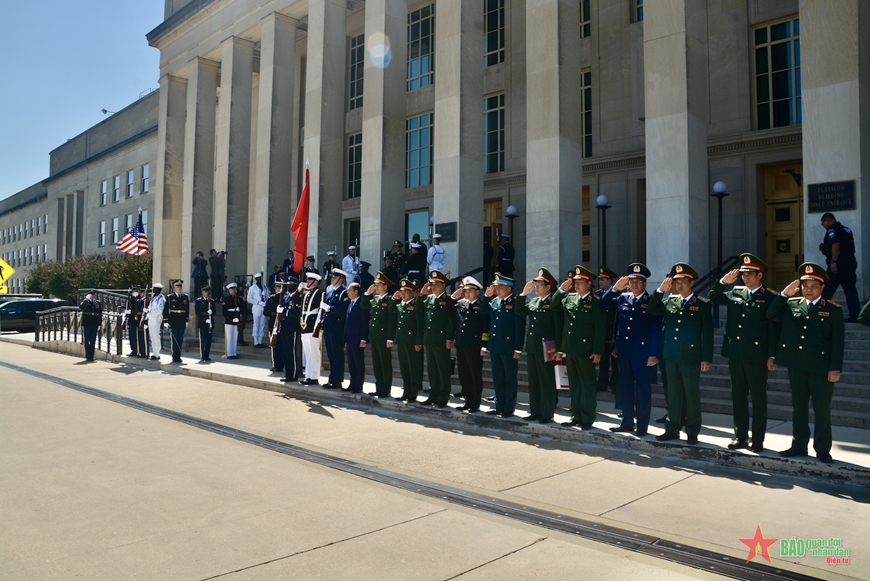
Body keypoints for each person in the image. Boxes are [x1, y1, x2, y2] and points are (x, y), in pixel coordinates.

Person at [768, 262, 845, 463]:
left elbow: (838, 342)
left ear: (822, 288)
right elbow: (770, 315)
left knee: (822, 409)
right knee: (799, 407)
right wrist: (784, 295)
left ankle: (822, 448)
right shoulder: (792, 305)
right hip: (797, 365)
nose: (808, 290)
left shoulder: (832, 310)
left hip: (821, 369)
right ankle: (799, 445)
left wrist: (835, 368)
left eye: (813, 286)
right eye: (805, 286)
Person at [708, 254, 779, 452]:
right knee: (738, 397)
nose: (745, 278)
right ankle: (740, 436)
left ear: (760, 276)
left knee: (758, 399)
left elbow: (774, 329)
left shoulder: (770, 297)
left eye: (750, 274)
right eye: (743, 274)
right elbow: (713, 297)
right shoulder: (735, 293)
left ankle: (758, 439)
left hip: (757, 355)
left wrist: (772, 355)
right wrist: (723, 282)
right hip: (736, 353)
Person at [647, 263, 713, 445]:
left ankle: (692, 431)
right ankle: (672, 429)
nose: (679, 285)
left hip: (690, 356)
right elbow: (651, 309)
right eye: (677, 282)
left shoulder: (701, 304)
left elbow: (707, 333)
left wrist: (706, 357)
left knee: (691, 395)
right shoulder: (669, 302)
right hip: (671, 355)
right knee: (673, 393)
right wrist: (660, 290)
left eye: (683, 281)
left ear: (692, 282)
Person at [600, 263, 662, 437]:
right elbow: (603, 304)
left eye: (638, 281)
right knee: (625, 388)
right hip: (624, 351)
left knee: (642, 389)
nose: (634, 284)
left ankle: (642, 425)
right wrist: (614, 289)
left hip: (642, 353)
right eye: (631, 281)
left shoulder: (650, 302)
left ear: (645, 284)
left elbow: (656, 330)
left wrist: (653, 353)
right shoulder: (622, 298)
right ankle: (626, 422)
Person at [552, 265, 605, 430]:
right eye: (575, 282)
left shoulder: (595, 303)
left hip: (586, 350)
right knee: (574, 384)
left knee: (587, 385)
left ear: (589, 283)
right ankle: (576, 416)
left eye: (580, 282)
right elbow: (554, 307)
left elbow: (600, 329)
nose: (576, 284)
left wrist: (597, 351)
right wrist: (561, 291)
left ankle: (588, 417)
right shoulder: (569, 299)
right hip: (570, 349)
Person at [516, 268, 562, 424]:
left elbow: (558, 327)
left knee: (546, 381)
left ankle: (547, 413)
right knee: (534, 381)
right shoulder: (534, 301)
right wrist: (523, 294)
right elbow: (519, 311)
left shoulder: (553, 303)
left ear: (549, 287)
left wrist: (559, 349)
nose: (536, 287)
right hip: (533, 347)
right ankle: (535, 411)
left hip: (547, 348)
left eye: (540, 285)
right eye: (535, 284)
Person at [482, 273, 526, 418]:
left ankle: (509, 407)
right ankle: (499, 405)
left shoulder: (515, 303)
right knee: (498, 377)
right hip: (495, 346)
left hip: (508, 347)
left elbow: (519, 327)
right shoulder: (495, 302)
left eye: (500, 287)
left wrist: (518, 348)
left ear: (509, 288)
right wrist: (486, 297)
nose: (497, 290)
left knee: (509, 378)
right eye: (497, 287)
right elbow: (483, 311)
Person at [450, 276, 490, 412]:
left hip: (474, 345)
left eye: (470, 291)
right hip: (461, 344)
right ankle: (467, 400)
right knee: (464, 374)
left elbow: (485, 327)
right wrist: (452, 299)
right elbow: (447, 313)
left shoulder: (482, 306)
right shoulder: (461, 304)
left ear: (477, 292)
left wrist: (484, 345)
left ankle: (475, 402)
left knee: (474, 374)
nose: (467, 294)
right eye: (465, 291)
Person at [419, 270, 456, 407]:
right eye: (431, 284)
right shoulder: (429, 299)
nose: (433, 287)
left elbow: (451, 322)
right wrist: (422, 294)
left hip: (441, 339)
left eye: (436, 284)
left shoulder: (448, 300)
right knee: (432, 369)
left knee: (443, 369)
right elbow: (420, 313)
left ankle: (443, 396)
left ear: (443, 285)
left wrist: (449, 338)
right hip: (429, 339)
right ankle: (433, 394)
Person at [819, 213, 860, 322]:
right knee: (851, 291)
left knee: (827, 290)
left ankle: (819, 314)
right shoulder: (847, 230)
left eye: (823, 223)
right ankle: (855, 316)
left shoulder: (832, 230)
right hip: (849, 264)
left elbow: (836, 244)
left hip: (838, 266)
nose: (824, 226)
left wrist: (833, 261)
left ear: (827, 220)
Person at [361, 272, 397, 397]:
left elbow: (392, 321)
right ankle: (379, 387)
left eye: (378, 285)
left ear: (385, 286)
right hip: (375, 336)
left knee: (385, 363)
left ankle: (386, 389)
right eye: (375, 285)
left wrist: (390, 338)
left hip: (384, 337)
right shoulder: (375, 299)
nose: (375, 287)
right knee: (377, 363)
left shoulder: (390, 300)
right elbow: (363, 305)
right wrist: (367, 294)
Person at [391, 278, 425, 402]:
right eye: (402, 292)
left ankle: (413, 394)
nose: (403, 294)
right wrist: (394, 298)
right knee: (404, 367)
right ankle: (406, 391)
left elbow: (420, 325)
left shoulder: (416, 305)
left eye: (406, 292)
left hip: (412, 341)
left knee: (413, 368)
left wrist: (418, 342)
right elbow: (390, 309)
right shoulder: (400, 305)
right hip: (402, 340)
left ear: (412, 292)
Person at [321, 269, 350, 388]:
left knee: (337, 354)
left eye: (335, 277)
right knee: (330, 354)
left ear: (341, 279)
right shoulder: (331, 292)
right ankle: (332, 378)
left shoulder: (344, 292)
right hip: (329, 327)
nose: (332, 279)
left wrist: (330, 309)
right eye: (332, 277)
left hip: (337, 328)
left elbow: (344, 310)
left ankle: (337, 380)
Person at [595, 268, 620, 404]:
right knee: (603, 359)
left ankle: (614, 383)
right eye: (600, 279)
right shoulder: (598, 294)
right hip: (602, 330)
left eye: (603, 279)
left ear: (610, 281)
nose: (600, 282)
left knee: (615, 360)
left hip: (614, 330)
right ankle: (602, 382)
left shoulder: (619, 294)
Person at [299, 272, 324, 385]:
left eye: (310, 280)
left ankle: (314, 376)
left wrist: (318, 326)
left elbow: (320, 311)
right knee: (307, 352)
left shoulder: (320, 293)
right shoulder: (306, 293)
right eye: (308, 280)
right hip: (304, 324)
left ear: (316, 282)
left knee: (314, 352)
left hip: (313, 325)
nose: (308, 282)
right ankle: (308, 375)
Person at [343, 282, 368, 393]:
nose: (348, 292)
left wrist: (364, 338)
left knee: (358, 362)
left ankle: (358, 385)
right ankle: (352, 383)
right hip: (349, 338)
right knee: (351, 363)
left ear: (356, 291)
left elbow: (364, 322)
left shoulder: (360, 303)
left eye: (349, 290)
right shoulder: (351, 303)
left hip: (357, 338)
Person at [278, 276, 303, 383]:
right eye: (288, 284)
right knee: (285, 351)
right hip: (284, 326)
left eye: (291, 284)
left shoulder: (298, 297)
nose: (288, 286)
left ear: (296, 286)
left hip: (292, 327)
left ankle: (293, 374)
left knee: (291, 352)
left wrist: (284, 311)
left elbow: (297, 313)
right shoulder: (286, 296)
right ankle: (288, 374)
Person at [163, 280, 189, 363]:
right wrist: (166, 320)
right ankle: (174, 356)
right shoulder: (170, 297)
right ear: (174, 287)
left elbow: (187, 309)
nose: (180, 288)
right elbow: (166, 309)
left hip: (181, 320)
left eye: (180, 286)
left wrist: (187, 320)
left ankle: (179, 356)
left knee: (180, 339)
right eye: (178, 286)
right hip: (173, 320)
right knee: (174, 339)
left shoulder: (185, 297)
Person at [266, 280, 285, 373]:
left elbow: (266, 312)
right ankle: (280, 364)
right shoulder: (283, 298)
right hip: (278, 323)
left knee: (276, 346)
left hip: (275, 323)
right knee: (278, 345)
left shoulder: (273, 299)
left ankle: (277, 365)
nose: (276, 289)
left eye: (278, 288)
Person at [246, 272, 269, 348]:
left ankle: (260, 341)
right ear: (256, 279)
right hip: (256, 308)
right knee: (256, 325)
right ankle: (256, 342)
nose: (260, 279)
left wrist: (266, 302)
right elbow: (249, 299)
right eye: (259, 278)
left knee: (262, 325)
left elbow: (268, 297)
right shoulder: (252, 288)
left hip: (263, 308)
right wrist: (258, 302)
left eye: (261, 278)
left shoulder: (265, 287)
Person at [124, 285, 147, 358]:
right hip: (131, 319)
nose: (135, 292)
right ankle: (134, 350)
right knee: (132, 336)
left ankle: (142, 351)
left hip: (139, 318)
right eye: (134, 291)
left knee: (140, 336)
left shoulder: (142, 299)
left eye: (137, 291)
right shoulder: (130, 299)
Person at [194, 285, 216, 362]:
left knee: (209, 340)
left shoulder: (211, 301)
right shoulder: (199, 301)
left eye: (208, 292)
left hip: (210, 323)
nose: (207, 293)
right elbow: (198, 312)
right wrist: (204, 318)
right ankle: (203, 355)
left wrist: (211, 313)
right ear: (202, 292)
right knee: (203, 340)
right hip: (203, 323)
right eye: (205, 292)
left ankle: (207, 355)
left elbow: (214, 312)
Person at [144, 282, 165, 360]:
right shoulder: (154, 297)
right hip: (151, 318)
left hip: (156, 319)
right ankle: (154, 353)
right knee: (152, 336)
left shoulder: (161, 298)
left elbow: (160, 310)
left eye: (154, 289)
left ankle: (156, 354)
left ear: (158, 289)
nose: (153, 290)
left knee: (156, 336)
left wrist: (150, 311)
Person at [221, 282, 242, 359]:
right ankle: (229, 353)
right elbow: (224, 312)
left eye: (234, 289)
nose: (233, 291)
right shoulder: (226, 299)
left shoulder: (238, 299)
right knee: (229, 338)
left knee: (235, 337)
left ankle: (234, 352)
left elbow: (242, 308)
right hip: (229, 321)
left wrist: (239, 311)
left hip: (236, 321)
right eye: (232, 289)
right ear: (229, 290)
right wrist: (231, 319)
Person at [80, 292, 102, 362]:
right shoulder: (85, 302)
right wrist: (86, 300)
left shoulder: (97, 303)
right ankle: (87, 355)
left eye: (94, 295)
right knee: (87, 340)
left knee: (93, 340)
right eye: (92, 295)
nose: (93, 296)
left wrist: (99, 323)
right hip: (87, 322)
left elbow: (100, 313)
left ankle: (91, 356)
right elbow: (81, 307)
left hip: (94, 322)